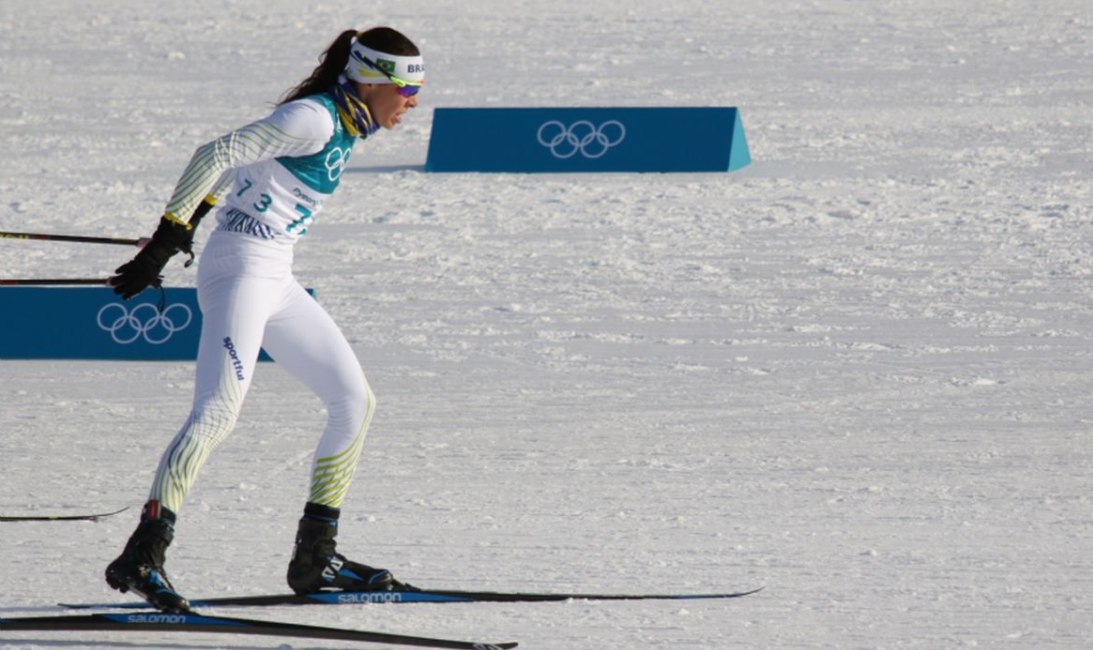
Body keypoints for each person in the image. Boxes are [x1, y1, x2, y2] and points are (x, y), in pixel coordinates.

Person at [103, 27, 424, 613]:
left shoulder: (345, 123)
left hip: (275, 273)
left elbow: (236, 173)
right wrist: (170, 235)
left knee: (355, 400)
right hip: (243, 273)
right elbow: (215, 153)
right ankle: (144, 553)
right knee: (218, 412)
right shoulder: (317, 119)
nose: (414, 103)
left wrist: (187, 224)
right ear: (374, 80)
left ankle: (315, 557)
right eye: (408, 90)